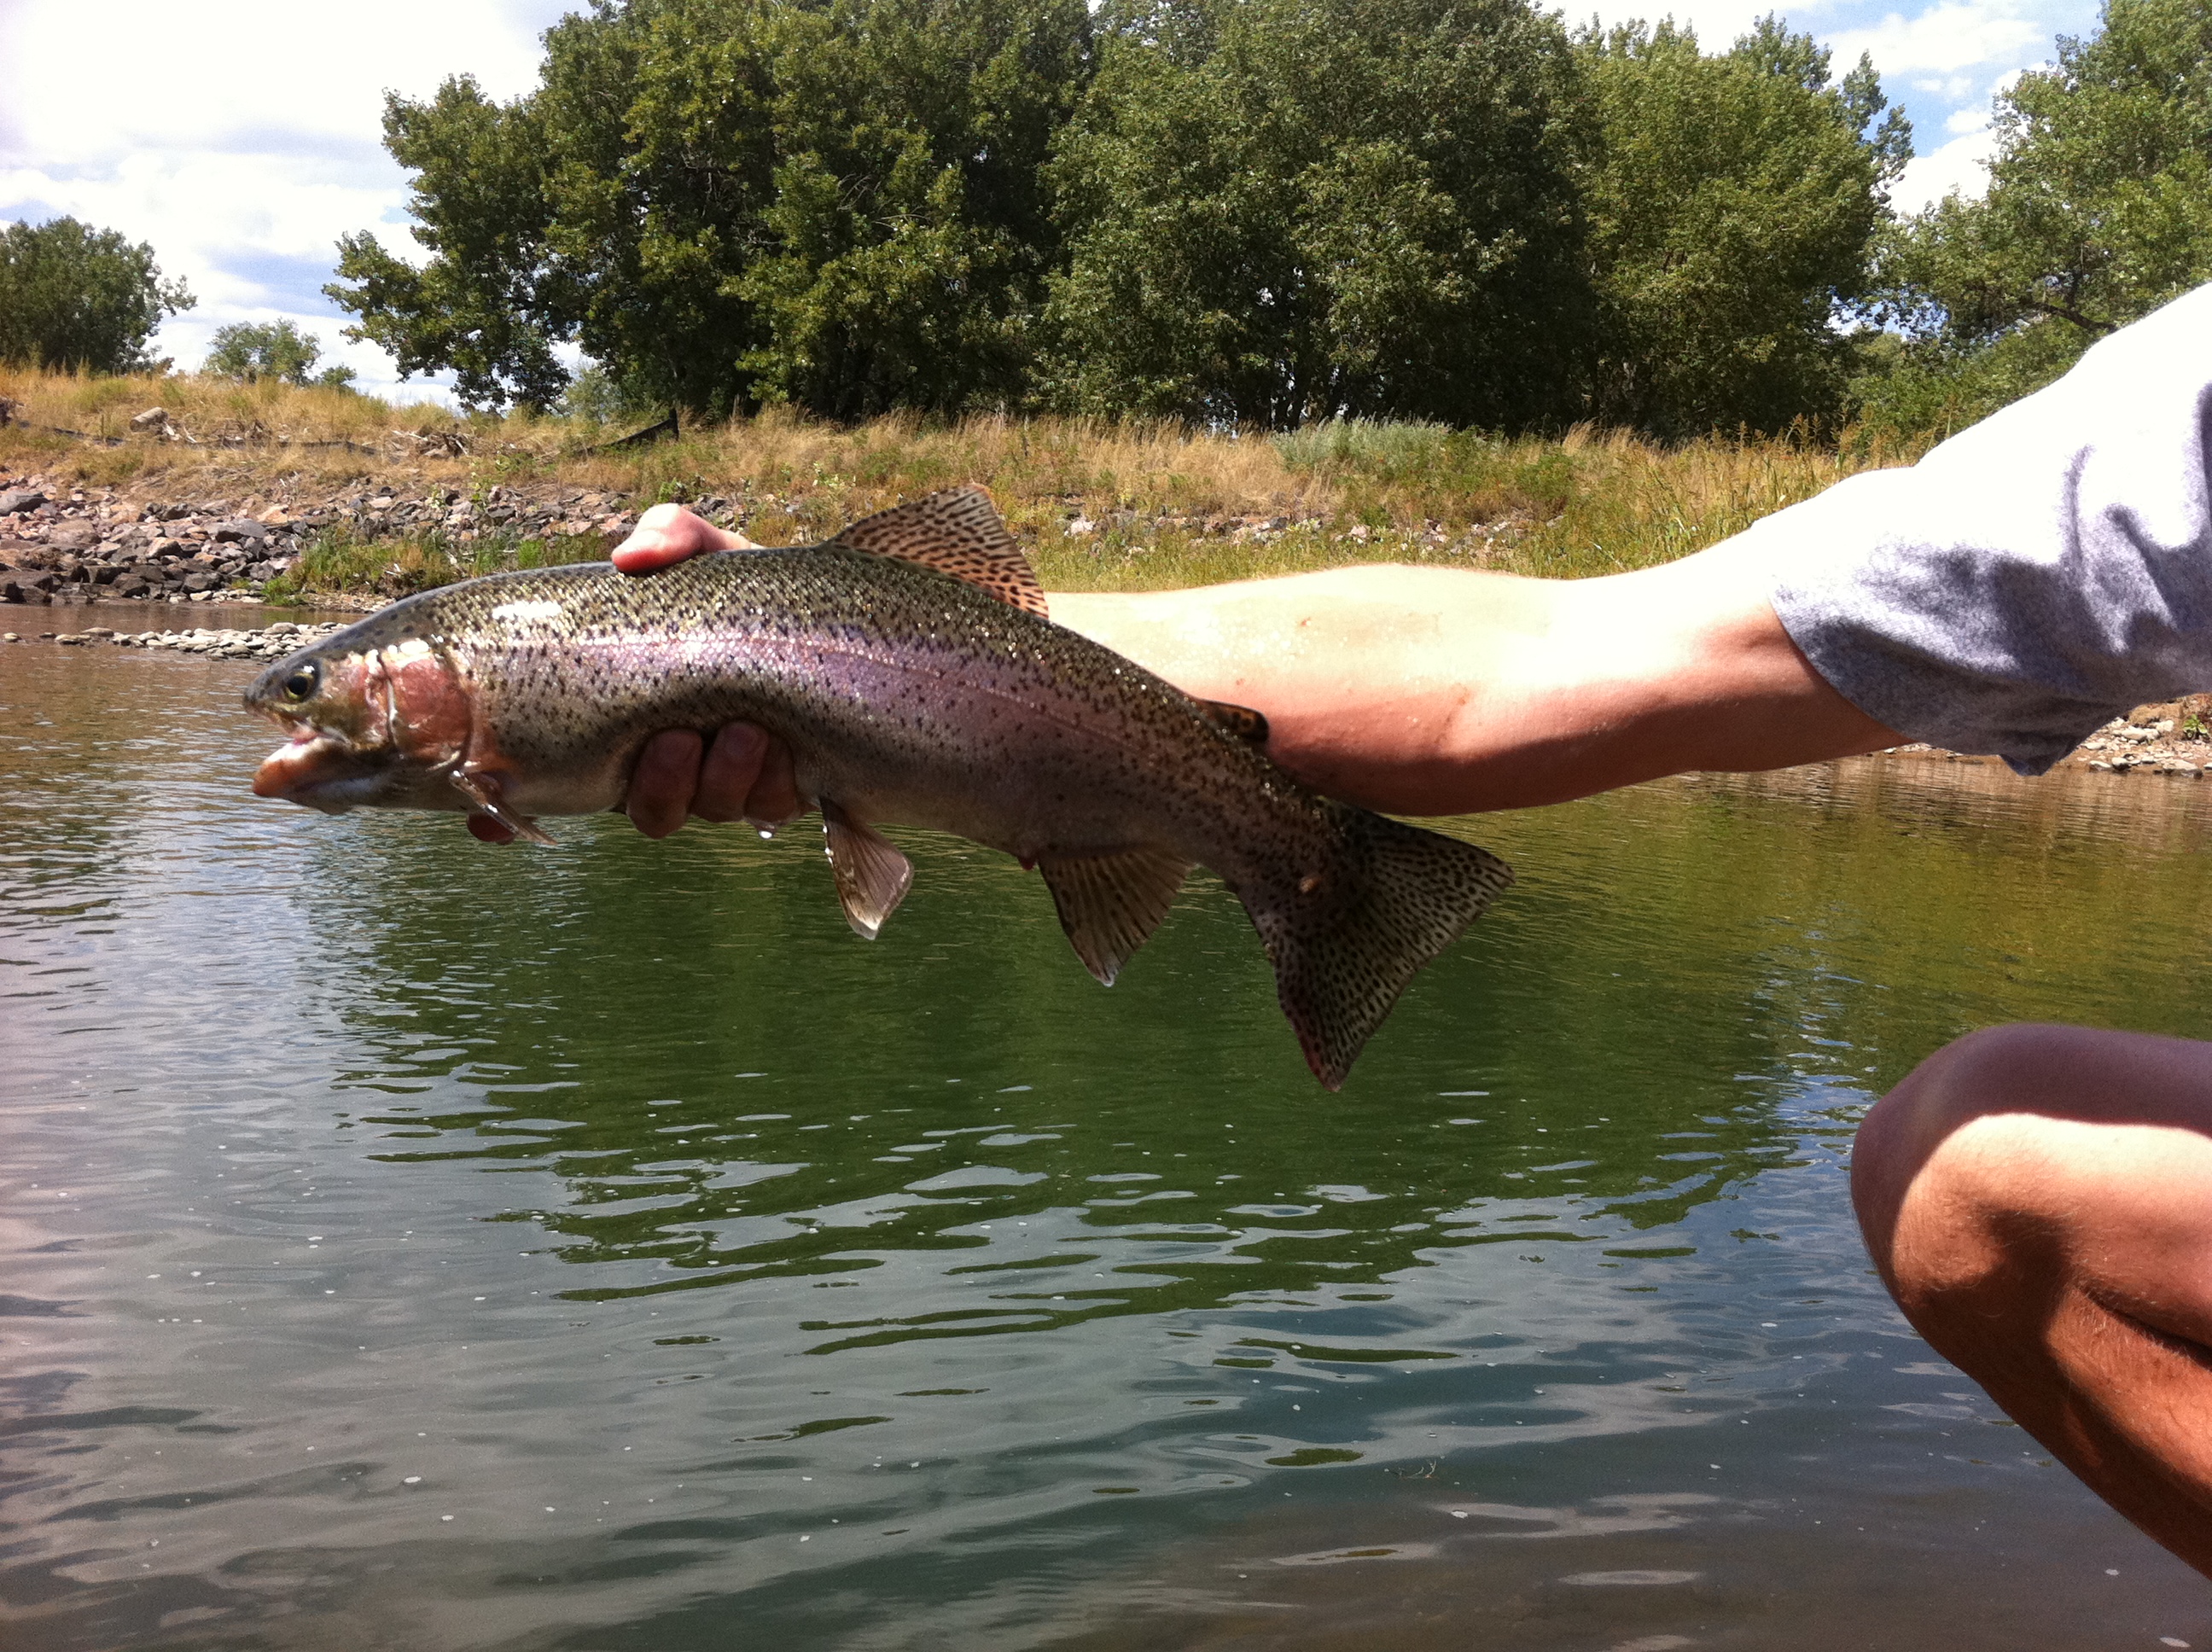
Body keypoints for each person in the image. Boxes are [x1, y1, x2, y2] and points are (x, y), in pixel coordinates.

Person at [497, 284, 2212, 1573]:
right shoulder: (2169, 428)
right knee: (1972, 1175)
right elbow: (1570, 653)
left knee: (1972, 1164)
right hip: (941, 661)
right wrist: (834, 627)